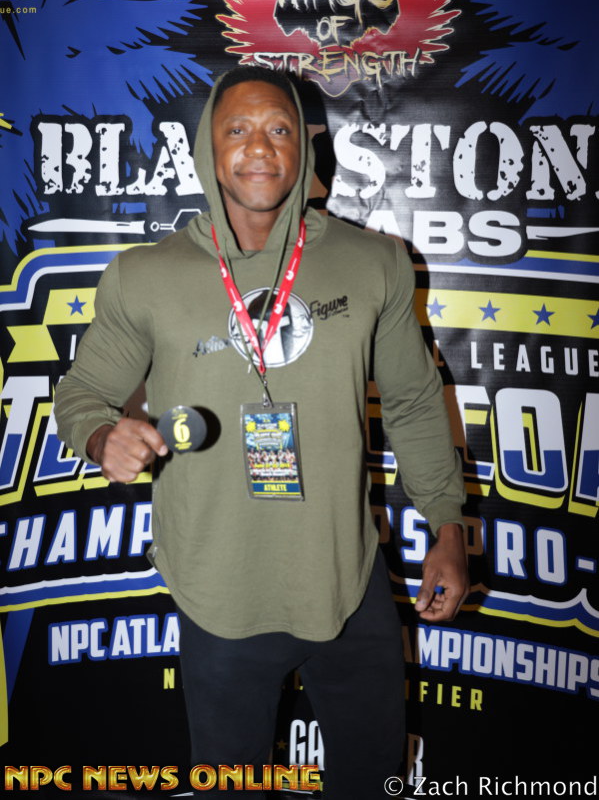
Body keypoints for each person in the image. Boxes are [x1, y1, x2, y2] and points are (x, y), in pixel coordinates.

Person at [55, 66, 469, 798]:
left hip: (347, 582)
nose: (259, 147)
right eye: (237, 129)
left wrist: (447, 524)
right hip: (219, 590)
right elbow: (82, 395)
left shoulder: (372, 263)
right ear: (208, 150)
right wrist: (100, 435)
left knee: (373, 782)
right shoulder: (145, 276)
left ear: (304, 148)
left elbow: (410, 400)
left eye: (279, 128)